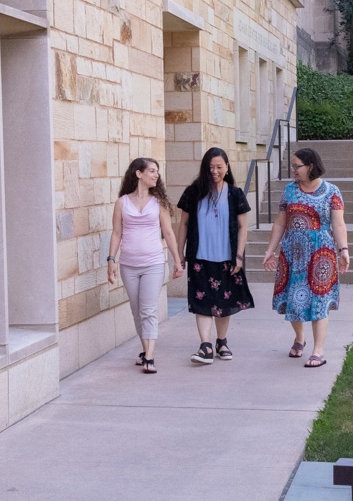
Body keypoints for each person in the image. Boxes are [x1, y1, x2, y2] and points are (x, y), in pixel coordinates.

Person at [262, 148, 349, 368]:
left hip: (321, 254)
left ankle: (318, 351)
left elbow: (338, 224)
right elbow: (280, 222)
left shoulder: (331, 191)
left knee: (319, 299)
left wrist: (344, 249)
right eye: (292, 166)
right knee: (293, 298)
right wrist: (270, 250)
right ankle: (300, 338)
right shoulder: (289, 191)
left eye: (296, 166)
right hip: (293, 253)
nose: (293, 170)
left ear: (310, 166)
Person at [176, 147, 255, 364]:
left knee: (224, 302)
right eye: (210, 167)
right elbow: (183, 224)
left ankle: (221, 341)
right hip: (199, 257)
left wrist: (239, 256)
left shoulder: (235, 194)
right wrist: (180, 254)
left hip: (227, 258)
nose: (214, 171)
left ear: (227, 168)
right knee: (202, 303)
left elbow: (242, 228)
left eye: (219, 167)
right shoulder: (193, 192)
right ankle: (205, 346)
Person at [108, 158, 184, 374]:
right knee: (136, 310)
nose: (156, 174)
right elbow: (116, 233)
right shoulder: (122, 203)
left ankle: (150, 356)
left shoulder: (158, 202)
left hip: (153, 264)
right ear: (138, 173)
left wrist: (177, 261)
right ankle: (145, 350)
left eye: (157, 171)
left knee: (148, 310)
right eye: (152, 171)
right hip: (129, 265)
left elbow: (168, 233)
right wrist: (111, 260)